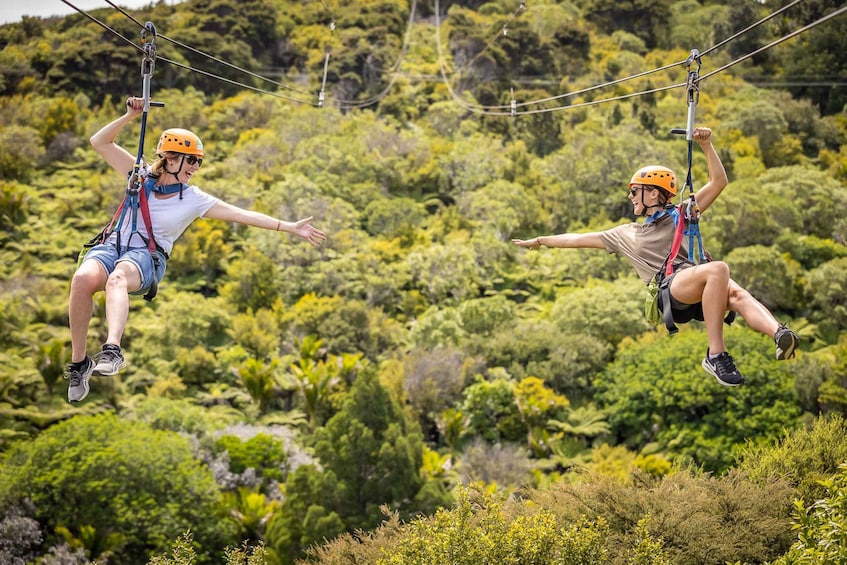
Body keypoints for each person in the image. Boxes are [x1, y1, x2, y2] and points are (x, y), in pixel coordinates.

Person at [65, 96, 327, 403]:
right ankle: (80, 363)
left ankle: (112, 350)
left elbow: (243, 215)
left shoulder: (194, 198)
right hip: (114, 245)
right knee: (82, 280)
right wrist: (128, 117)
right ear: (170, 159)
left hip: (145, 257)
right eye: (190, 160)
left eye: (198, 162)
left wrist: (290, 226)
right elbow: (100, 142)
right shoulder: (139, 174)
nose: (195, 167)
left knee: (117, 279)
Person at [512, 127, 799, 387]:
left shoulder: (680, 215)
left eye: (634, 191)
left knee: (736, 294)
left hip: (695, 285)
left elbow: (719, 182)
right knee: (718, 270)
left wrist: (706, 145)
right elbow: (576, 239)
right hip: (669, 290)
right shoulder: (625, 234)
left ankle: (778, 334)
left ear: (654, 194)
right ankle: (716, 354)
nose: (631, 198)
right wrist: (540, 240)